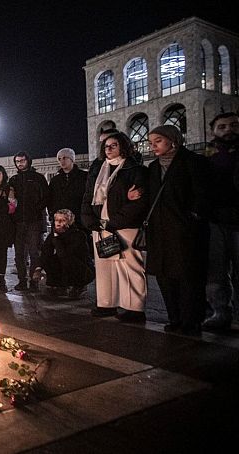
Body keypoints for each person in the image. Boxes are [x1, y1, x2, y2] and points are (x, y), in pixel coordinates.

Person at [145, 125, 209, 335]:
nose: (153, 146)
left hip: (185, 232)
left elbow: (203, 194)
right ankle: (175, 318)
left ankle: (191, 321)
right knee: (165, 276)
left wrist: (193, 216)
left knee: (188, 277)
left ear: (173, 141)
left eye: (158, 141)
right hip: (160, 232)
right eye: (151, 142)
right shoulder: (154, 167)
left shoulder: (192, 162)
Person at [82, 131, 150, 322]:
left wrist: (113, 222)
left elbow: (138, 202)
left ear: (124, 146)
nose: (109, 149)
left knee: (130, 266)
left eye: (114, 145)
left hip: (124, 226)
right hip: (100, 226)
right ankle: (106, 303)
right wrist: (89, 220)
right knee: (105, 266)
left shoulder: (134, 170)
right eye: (106, 146)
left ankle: (134, 307)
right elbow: (88, 196)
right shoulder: (98, 169)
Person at [203, 112, 239, 330]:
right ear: (213, 131)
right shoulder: (207, 157)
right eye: (222, 126)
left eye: (234, 125)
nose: (228, 130)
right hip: (215, 220)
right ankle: (220, 311)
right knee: (215, 270)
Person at [9, 152, 49, 291]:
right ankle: (21, 280)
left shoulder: (38, 178)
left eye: (22, 160)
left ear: (28, 161)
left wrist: (36, 209)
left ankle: (34, 281)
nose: (19, 163)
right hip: (18, 222)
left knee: (34, 252)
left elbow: (46, 197)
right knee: (19, 254)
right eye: (17, 161)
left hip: (34, 221)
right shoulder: (13, 180)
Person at [32, 209, 93, 298]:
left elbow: (65, 255)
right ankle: (59, 286)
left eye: (63, 220)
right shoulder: (53, 235)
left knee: (67, 260)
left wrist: (56, 239)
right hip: (65, 263)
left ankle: (79, 286)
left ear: (69, 222)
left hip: (81, 268)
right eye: (57, 220)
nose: (59, 223)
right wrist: (38, 269)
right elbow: (45, 252)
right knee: (50, 260)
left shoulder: (78, 235)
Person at [48, 148, 88, 223]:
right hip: (60, 220)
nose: (62, 161)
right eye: (59, 159)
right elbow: (50, 199)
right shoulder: (55, 180)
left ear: (72, 159)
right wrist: (52, 214)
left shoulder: (84, 177)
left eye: (64, 158)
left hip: (80, 219)